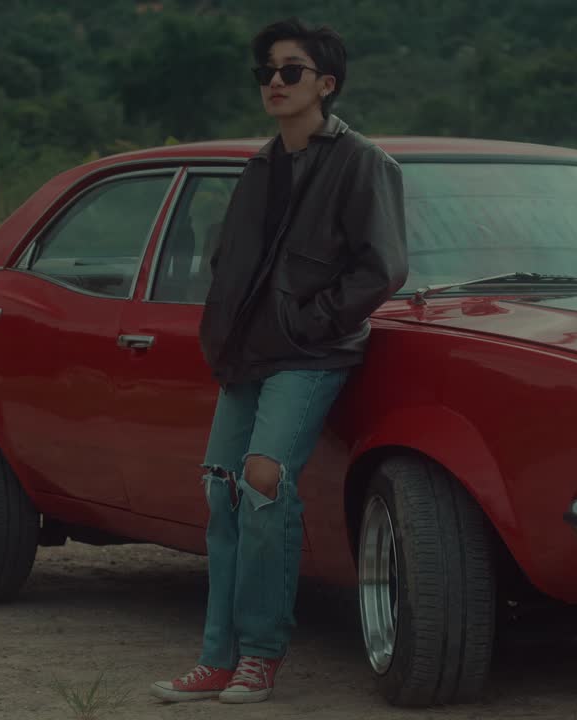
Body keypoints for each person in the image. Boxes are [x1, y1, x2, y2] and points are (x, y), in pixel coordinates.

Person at [149, 17, 409, 705]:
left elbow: (383, 268)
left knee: (264, 482)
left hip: (312, 352)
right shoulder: (262, 164)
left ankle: (261, 656)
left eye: (289, 71)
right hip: (248, 351)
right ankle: (216, 658)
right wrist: (223, 323)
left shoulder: (363, 163)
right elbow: (229, 257)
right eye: (266, 71)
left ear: (325, 83)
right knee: (221, 489)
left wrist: (312, 320)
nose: (273, 82)